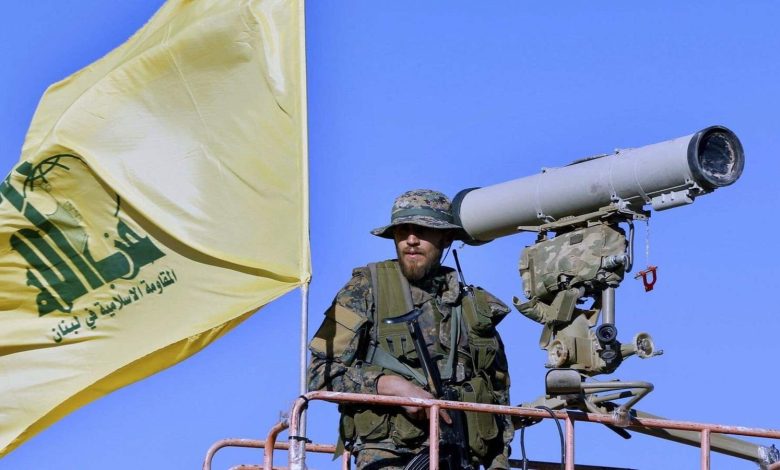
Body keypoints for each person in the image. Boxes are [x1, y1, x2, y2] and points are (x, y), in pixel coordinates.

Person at [308, 189, 513, 469]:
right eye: (403, 231)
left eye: (423, 231)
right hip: (388, 458)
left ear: (446, 238)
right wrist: (389, 386)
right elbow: (319, 372)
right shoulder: (365, 289)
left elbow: (498, 398)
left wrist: (499, 464)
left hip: (460, 459)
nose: (411, 240)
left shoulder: (474, 307)